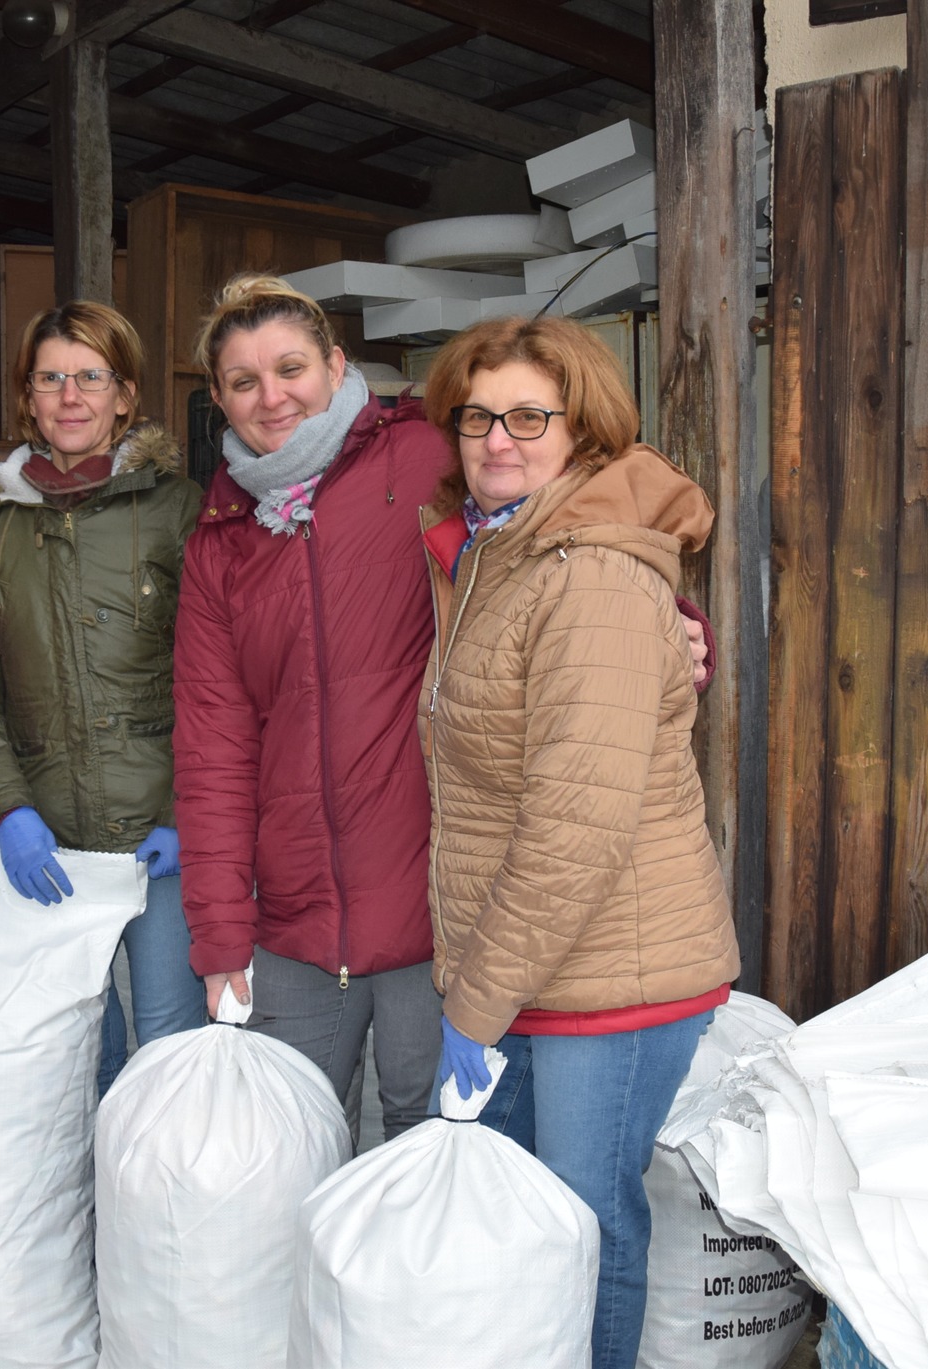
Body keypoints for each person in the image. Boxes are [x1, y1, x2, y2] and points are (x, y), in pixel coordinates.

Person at [173, 274, 715, 1142]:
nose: (272, 396)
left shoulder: (428, 446)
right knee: (284, 1154)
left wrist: (671, 628)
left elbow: (596, 509)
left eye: (291, 367)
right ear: (217, 400)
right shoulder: (221, 539)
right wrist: (219, 926)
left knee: (433, 1169)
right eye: (244, 381)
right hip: (298, 920)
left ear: (338, 364)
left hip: (440, 908)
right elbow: (213, 746)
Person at [421, 315, 740, 1369]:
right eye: (477, 416)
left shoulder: (584, 577)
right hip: (533, 971)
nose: (497, 438)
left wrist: (472, 1001)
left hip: (611, 974)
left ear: (584, 433)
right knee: (533, 1233)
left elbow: (571, 823)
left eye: (527, 416)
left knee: (582, 1231)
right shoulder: (498, 554)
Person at [0, 300, 206, 1093]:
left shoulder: (176, 508)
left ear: (125, 395)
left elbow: (220, 676)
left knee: (167, 1042)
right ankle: (86, 1215)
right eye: (50, 378)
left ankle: (159, 1215)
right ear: (27, 398)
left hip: (158, 836)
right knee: (80, 1050)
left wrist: (188, 813)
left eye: (91, 376)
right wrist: (8, 807)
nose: (70, 396)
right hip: (48, 842)